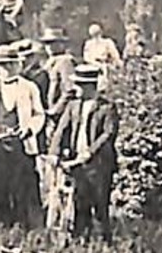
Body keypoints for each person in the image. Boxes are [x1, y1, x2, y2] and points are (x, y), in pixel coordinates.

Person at [0, 43, 45, 229]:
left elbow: (39, 114)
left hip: (22, 145)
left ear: (18, 65)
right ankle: (2, 226)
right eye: (3, 65)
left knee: (24, 186)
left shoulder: (29, 88)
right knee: (0, 186)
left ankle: (25, 225)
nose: (7, 69)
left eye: (11, 64)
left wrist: (29, 128)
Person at [48, 64, 118, 241]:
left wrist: (90, 152)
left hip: (99, 165)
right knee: (80, 203)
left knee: (100, 205)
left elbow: (108, 134)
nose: (75, 88)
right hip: (77, 161)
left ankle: (105, 242)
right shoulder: (73, 105)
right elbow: (61, 130)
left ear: (89, 86)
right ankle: (81, 241)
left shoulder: (107, 107)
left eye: (79, 85)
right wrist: (54, 152)